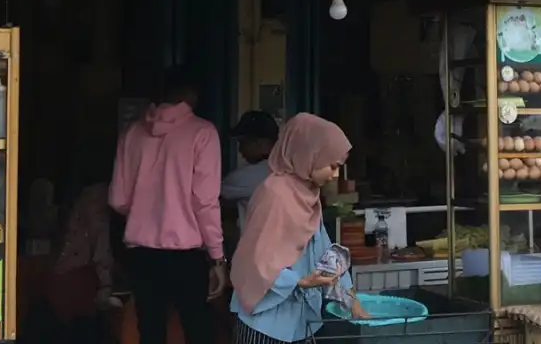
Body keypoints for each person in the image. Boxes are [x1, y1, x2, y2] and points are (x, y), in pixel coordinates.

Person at [231, 113, 370, 343]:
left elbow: (326, 254)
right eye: (332, 166)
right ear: (310, 155)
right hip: (265, 324)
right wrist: (299, 281)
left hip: (301, 324)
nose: (335, 175)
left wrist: (350, 298)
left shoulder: (307, 195)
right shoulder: (274, 195)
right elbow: (255, 261)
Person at [110, 72, 226, 344]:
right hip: (186, 256)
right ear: (191, 96)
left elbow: (118, 199)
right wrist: (218, 257)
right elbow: (205, 202)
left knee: (150, 331)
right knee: (198, 329)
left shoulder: (132, 132)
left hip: (142, 254)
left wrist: (146, 214)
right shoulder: (203, 132)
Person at [222, 111, 280, 230]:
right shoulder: (292, 169)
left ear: (258, 143)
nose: (240, 150)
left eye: (243, 143)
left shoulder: (244, 176)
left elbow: (208, 201)